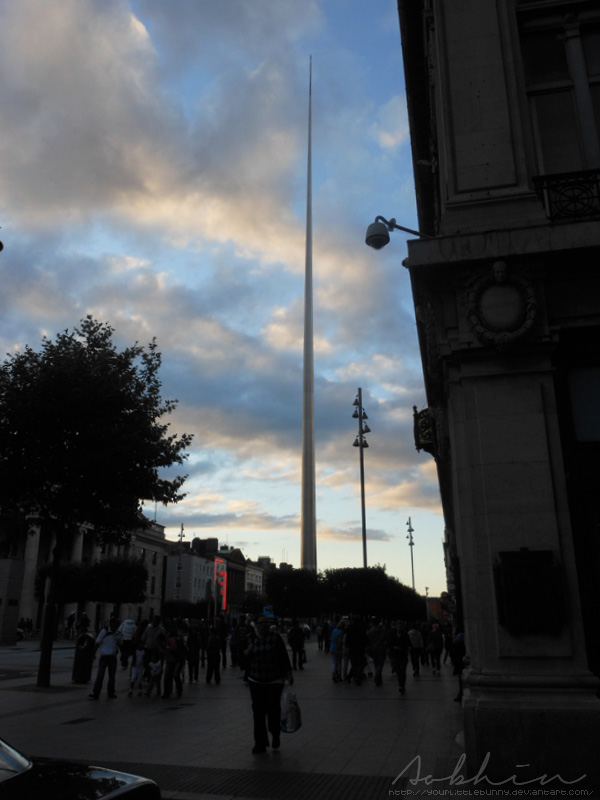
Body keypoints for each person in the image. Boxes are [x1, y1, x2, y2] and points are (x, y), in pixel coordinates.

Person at [245, 614, 293, 754]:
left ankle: (275, 733)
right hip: (256, 680)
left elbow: (283, 656)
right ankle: (260, 743)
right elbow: (242, 658)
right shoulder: (251, 638)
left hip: (274, 680)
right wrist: (246, 652)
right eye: (261, 623)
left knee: (273, 710)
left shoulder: (275, 638)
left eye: (266, 623)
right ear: (256, 624)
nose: (264, 625)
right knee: (258, 713)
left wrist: (288, 674)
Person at [89, 617, 123, 699]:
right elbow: (97, 643)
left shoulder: (118, 633)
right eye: (116, 624)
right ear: (112, 624)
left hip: (112, 657)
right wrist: (93, 654)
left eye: (118, 625)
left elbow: (120, 645)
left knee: (112, 676)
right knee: (100, 675)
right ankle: (96, 693)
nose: (118, 626)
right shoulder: (104, 631)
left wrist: (122, 655)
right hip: (104, 656)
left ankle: (110, 693)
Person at [388, 620, 410, 694]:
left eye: (400, 626)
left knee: (403, 671)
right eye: (398, 626)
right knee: (398, 671)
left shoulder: (405, 634)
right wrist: (394, 647)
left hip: (403, 654)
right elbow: (389, 644)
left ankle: (402, 685)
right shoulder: (392, 634)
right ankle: (400, 684)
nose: (399, 628)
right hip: (395, 655)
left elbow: (408, 643)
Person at [367, 618, 388, 686]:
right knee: (380, 664)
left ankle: (378, 678)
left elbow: (368, 640)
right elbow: (386, 639)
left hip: (373, 649)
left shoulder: (370, 631)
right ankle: (377, 677)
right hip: (381, 648)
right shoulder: (383, 630)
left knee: (376, 663)